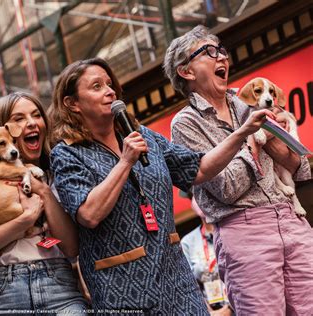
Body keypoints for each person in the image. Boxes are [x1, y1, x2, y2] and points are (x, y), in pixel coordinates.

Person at [48, 57, 271, 313]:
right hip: (122, 290)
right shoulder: (66, 154)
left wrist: (241, 133)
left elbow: (198, 168)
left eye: (110, 84)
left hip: (176, 281)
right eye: (96, 86)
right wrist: (125, 162)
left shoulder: (143, 136)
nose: (109, 91)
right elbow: (88, 214)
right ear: (72, 103)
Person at [165, 25, 313, 315]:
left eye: (221, 50)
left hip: (292, 219)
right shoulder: (185, 124)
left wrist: (270, 138)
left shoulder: (251, 98)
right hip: (245, 232)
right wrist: (252, 140)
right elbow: (227, 188)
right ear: (187, 72)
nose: (221, 57)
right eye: (209, 52)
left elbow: (299, 167)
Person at [0, 92, 88, 315]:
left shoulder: (58, 175)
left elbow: (71, 248)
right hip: (5, 288)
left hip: (59, 286)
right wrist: (25, 221)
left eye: (36, 115)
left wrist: (44, 192)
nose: (30, 123)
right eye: (18, 119)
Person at [181, 196, 232, 316]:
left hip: (240, 306)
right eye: (194, 195)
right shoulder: (188, 242)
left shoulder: (232, 230)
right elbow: (189, 284)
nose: (200, 199)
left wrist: (229, 309)